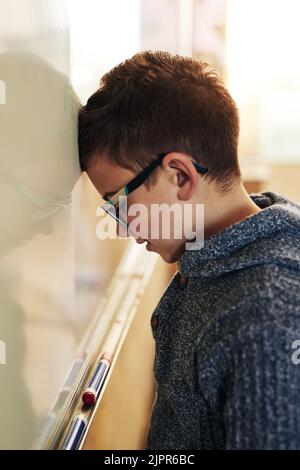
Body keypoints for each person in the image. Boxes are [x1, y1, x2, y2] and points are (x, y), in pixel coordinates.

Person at [78, 50, 300, 449]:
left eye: (118, 203)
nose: (119, 224)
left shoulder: (264, 316)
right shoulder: (216, 261)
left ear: (179, 175)